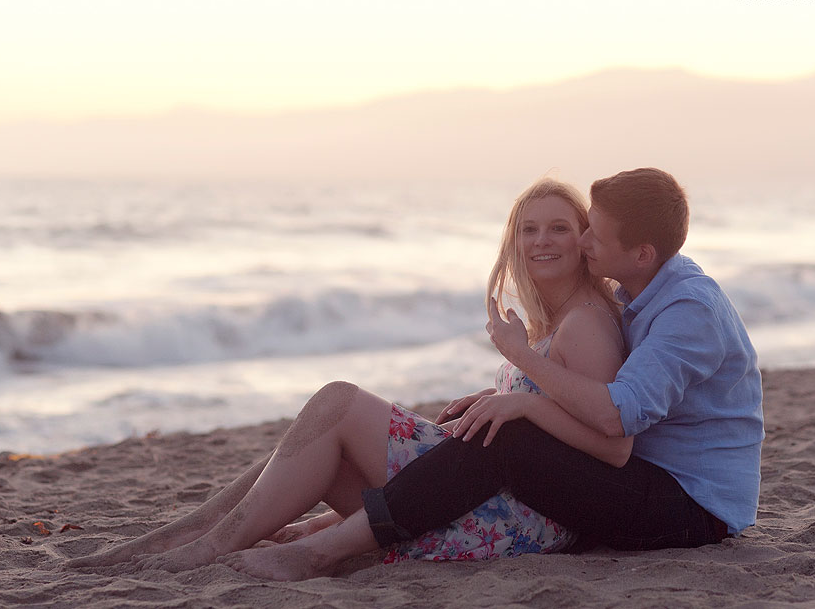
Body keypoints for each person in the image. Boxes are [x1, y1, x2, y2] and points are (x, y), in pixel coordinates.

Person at [222, 167, 765, 580]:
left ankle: (328, 546)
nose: (581, 243)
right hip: (644, 482)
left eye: (589, 234)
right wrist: (514, 389)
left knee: (509, 433)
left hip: (692, 507)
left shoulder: (686, 312)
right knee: (492, 428)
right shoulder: (641, 292)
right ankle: (267, 532)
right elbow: (600, 404)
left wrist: (522, 378)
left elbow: (615, 421)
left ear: (642, 253)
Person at [67, 177, 626, 571]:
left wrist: (522, 393)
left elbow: (610, 446)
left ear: (582, 239)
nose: (541, 242)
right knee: (308, 444)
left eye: (557, 228)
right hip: (476, 493)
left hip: (518, 517)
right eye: (529, 230)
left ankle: (209, 541)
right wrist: (499, 394)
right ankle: (198, 534)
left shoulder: (586, 324)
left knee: (337, 402)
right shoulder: (549, 324)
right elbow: (560, 402)